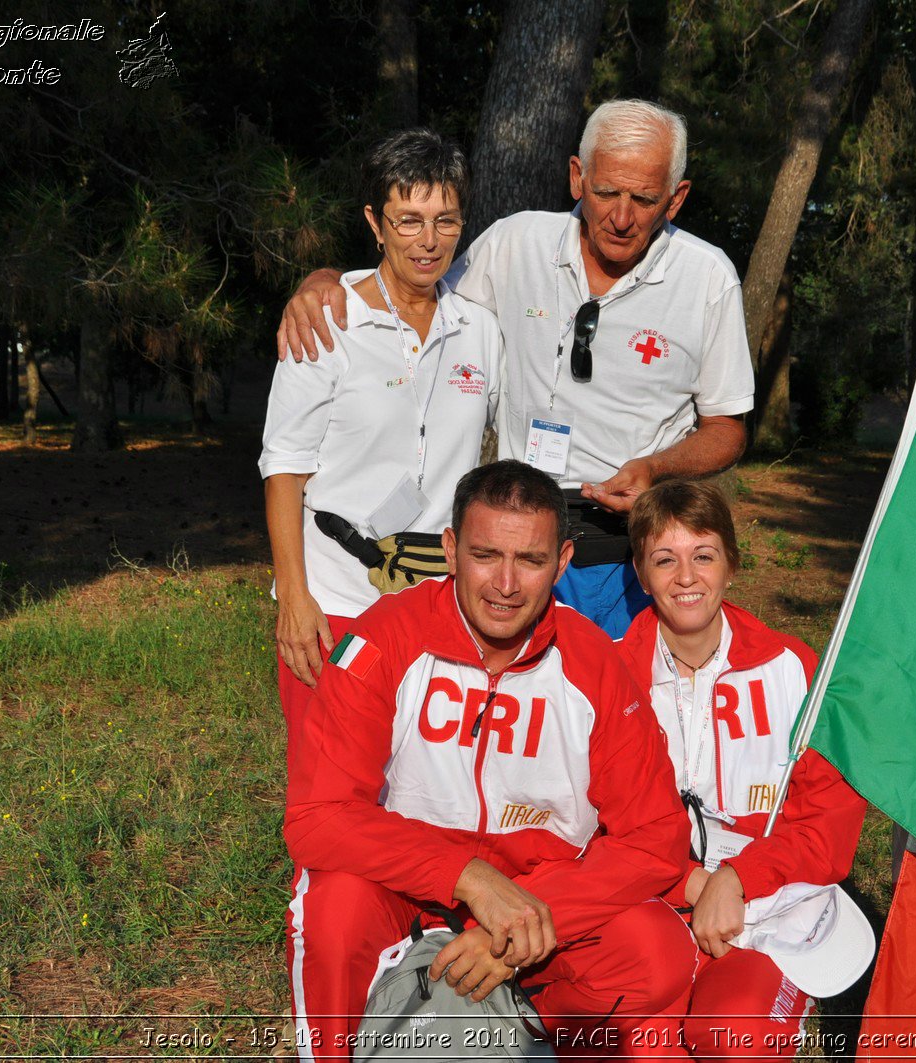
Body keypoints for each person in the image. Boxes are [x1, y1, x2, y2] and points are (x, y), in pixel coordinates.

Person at [277, 99, 755, 639]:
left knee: (621, 709)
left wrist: (655, 468)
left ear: (677, 197)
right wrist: (325, 280)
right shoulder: (516, 242)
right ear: (577, 177)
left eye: (644, 200)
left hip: (628, 548)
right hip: (513, 542)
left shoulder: (708, 279)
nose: (621, 218)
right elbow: (414, 280)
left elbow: (726, 428)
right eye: (606, 193)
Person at [284, 460, 696, 1061]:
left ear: (561, 562)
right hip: (403, 889)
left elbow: (656, 836)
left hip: (540, 895)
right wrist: (467, 877)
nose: (505, 584)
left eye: (530, 561)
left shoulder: (595, 664)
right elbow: (317, 816)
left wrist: (527, 919)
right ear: (450, 549)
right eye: (484, 556)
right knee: (333, 907)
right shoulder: (384, 639)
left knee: (658, 951)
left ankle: (523, 1036)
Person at [259, 128, 503, 737]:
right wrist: (295, 598)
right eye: (408, 220)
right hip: (336, 598)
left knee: (423, 795)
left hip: (439, 605)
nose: (428, 241)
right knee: (333, 788)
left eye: (445, 221)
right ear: (375, 221)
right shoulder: (328, 320)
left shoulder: (479, 330)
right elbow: (284, 466)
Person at [616, 480, 867, 1058]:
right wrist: (690, 882)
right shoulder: (606, 675)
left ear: (731, 564)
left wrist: (736, 879)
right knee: (637, 1045)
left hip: (770, 905)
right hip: (649, 900)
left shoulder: (792, 667)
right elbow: (587, 822)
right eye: (664, 559)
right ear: (638, 571)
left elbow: (829, 823)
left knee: (733, 1034)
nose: (685, 577)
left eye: (703, 556)